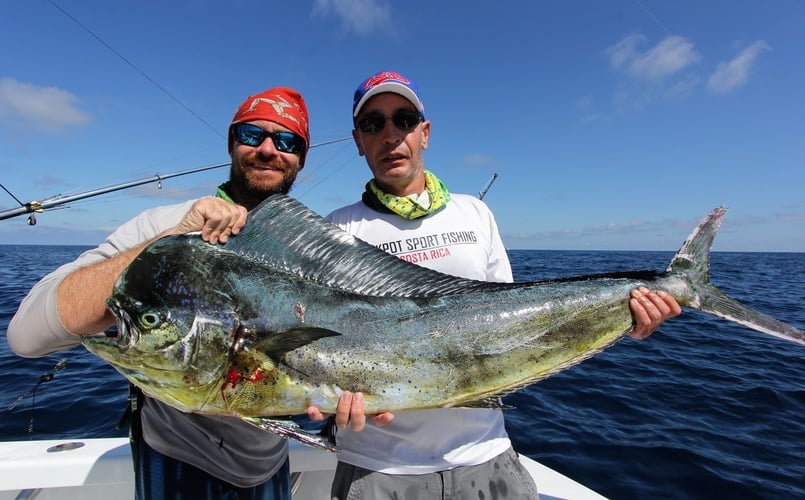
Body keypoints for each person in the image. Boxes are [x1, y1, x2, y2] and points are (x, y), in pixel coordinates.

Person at [309, 70, 682, 499]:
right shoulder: (334, 229)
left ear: (424, 133)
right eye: (373, 124)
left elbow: (513, 330)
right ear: (358, 140)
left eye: (404, 120)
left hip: (485, 456)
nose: (391, 134)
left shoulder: (475, 214)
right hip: (377, 467)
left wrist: (624, 320)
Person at [7, 87, 313, 499]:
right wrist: (170, 240)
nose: (269, 149)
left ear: (300, 159)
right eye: (252, 135)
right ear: (232, 143)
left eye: (287, 141)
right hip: (176, 464)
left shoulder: (310, 250)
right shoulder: (163, 224)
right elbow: (25, 337)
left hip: (271, 464)